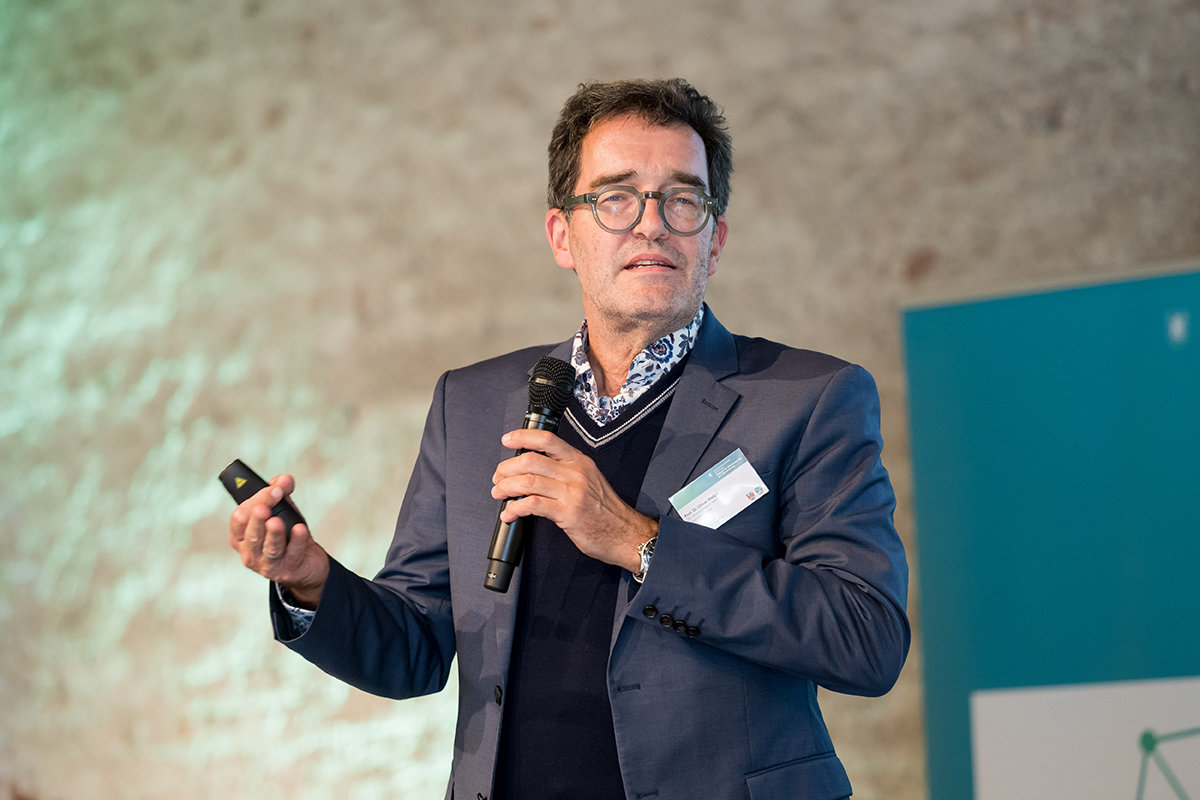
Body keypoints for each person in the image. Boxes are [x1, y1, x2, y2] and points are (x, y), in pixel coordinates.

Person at [229, 78, 910, 800]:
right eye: (616, 198)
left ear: (714, 239)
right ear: (563, 236)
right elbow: (415, 649)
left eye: (683, 199)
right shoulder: (473, 404)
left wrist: (638, 541)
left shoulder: (808, 399)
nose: (652, 225)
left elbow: (865, 639)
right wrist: (311, 582)